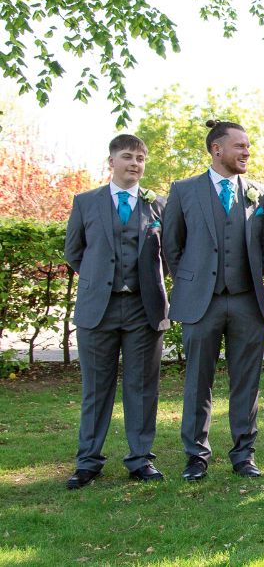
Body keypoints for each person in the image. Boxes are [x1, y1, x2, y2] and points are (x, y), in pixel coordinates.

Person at [162, 120, 264, 481]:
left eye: (247, 146)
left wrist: (242, 279)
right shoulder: (183, 190)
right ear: (217, 149)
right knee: (198, 381)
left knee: (247, 382)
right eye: (239, 146)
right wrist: (195, 281)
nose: (246, 152)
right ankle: (196, 456)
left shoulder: (260, 193)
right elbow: (171, 246)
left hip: (245, 301)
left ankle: (244, 454)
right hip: (201, 302)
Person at [63, 134, 170, 488]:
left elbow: (168, 256)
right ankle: (88, 461)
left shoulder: (158, 205)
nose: (135, 163)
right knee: (97, 389)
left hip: (143, 309)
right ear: (111, 162)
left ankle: (140, 459)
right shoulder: (86, 202)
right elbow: (74, 252)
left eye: (140, 158)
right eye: (127, 156)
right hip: (99, 309)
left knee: (142, 387)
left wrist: (146, 283)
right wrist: (102, 280)